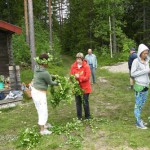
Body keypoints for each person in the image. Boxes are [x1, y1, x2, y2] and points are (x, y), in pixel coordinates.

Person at [31, 53, 58, 135]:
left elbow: (45, 76)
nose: (48, 64)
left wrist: (52, 75)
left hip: (34, 90)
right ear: (45, 62)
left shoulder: (37, 67)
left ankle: (45, 125)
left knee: (40, 109)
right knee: (43, 110)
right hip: (39, 93)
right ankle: (42, 130)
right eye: (48, 62)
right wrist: (58, 82)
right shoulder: (44, 73)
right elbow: (50, 82)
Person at [131, 44, 150, 129]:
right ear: (140, 53)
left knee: (141, 105)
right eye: (144, 53)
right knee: (138, 105)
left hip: (146, 86)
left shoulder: (147, 61)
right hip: (139, 86)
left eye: (147, 53)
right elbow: (133, 73)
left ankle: (138, 120)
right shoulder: (136, 61)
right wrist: (145, 71)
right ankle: (138, 123)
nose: (146, 55)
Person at [70, 52, 92, 120]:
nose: (78, 61)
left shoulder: (86, 66)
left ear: (82, 59)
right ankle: (79, 117)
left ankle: (87, 116)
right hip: (77, 88)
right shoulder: (73, 66)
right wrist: (73, 77)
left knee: (85, 102)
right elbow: (71, 76)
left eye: (79, 59)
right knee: (78, 102)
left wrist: (79, 77)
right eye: (77, 59)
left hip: (85, 88)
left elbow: (87, 78)